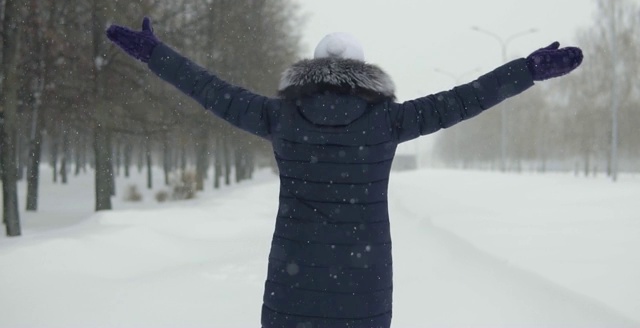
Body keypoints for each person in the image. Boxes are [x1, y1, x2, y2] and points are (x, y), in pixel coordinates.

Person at [106, 17, 582, 328]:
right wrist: (527, 69)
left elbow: (210, 90)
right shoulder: (388, 119)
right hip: (363, 285)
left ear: (312, 68)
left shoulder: (280, 116)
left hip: (292, 287)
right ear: (362, 70)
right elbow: (465, 98)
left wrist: (155, 54)